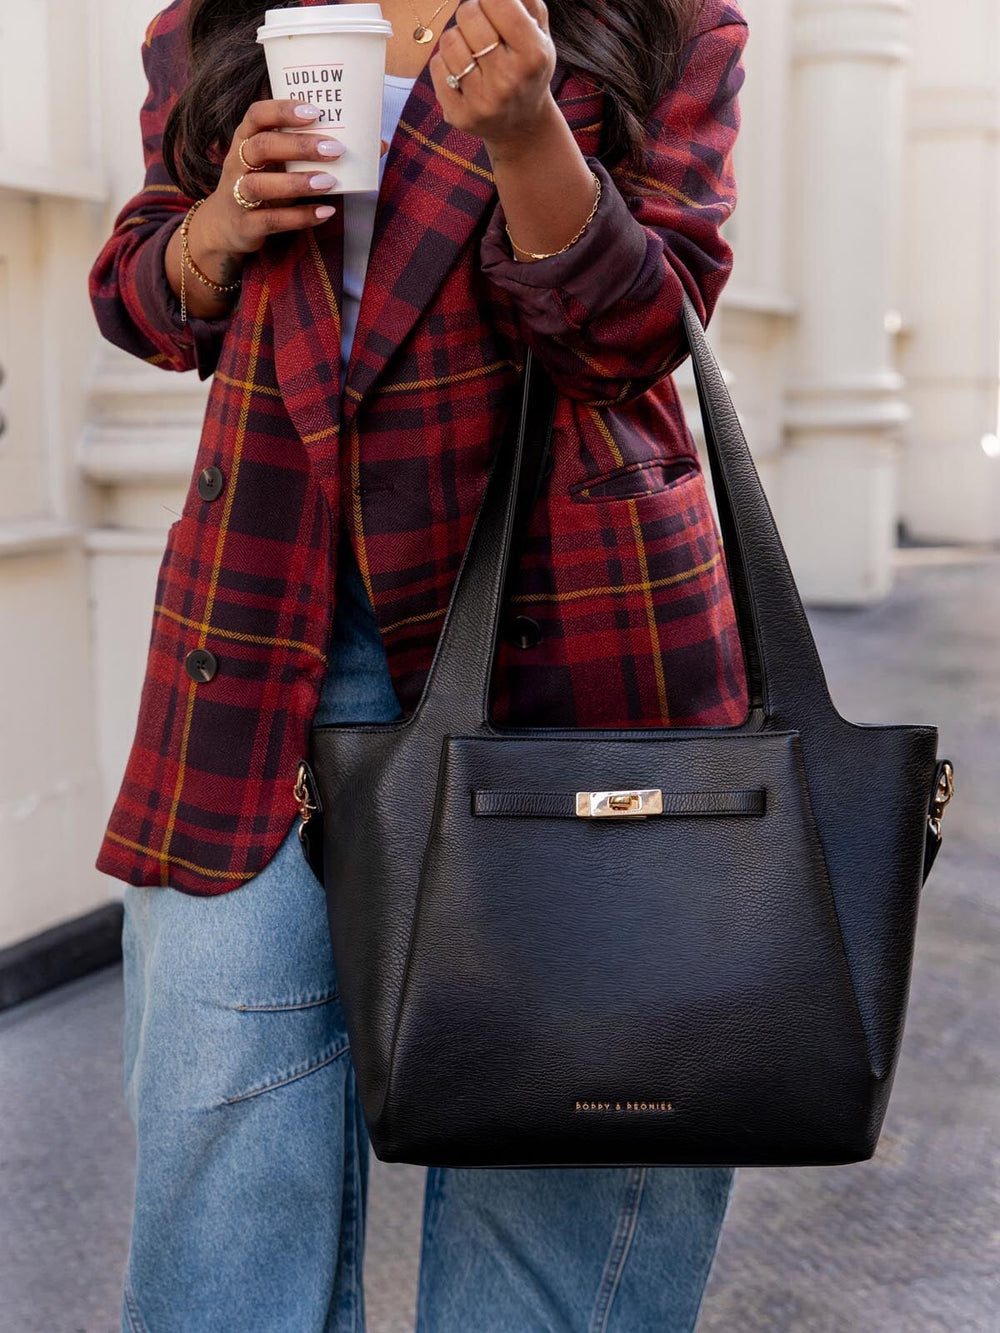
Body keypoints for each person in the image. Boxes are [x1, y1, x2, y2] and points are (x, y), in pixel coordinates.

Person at [89, 0, 750, 1328]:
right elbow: (143, 293)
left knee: (561, 1187)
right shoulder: (220, 23)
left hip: (572, 643)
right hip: (263, 633)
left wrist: (523, 134)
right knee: (220, 1193)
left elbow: (639, 337)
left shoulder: (665, 22)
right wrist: (216, 228)